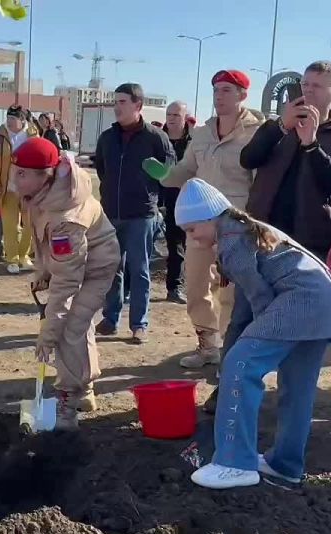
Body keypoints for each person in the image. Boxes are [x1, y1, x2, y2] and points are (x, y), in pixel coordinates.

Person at [176, 179, 331, 489]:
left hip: (299, 300)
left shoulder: (231, 242)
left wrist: (255, 342)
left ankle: (234, 463)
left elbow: (260, 300)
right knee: (297, 386)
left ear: (209, 218)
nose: (191, 237)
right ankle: (285, 465)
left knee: (238, 364)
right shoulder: (244, 228)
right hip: (321, 301)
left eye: (192, 229)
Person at [13, 138, 120, 430]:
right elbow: (42, 242)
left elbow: (66, 284)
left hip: (96, 268)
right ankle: (84, 390)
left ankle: (69, 401)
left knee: (68, 329)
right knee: (78, 325)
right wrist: (42, 270)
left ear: (44, 174)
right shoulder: (43, 195)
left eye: (22, 173)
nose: (16, 179)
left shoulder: (66, 218)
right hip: (73, 264)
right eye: (16, 171)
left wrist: (48, 334)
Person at [161, 70, 263, 366]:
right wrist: (165, 175)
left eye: (227, 90)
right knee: (194, 285)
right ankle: (207, 344)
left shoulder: (257, 133)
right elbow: (187, 169)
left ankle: (230, 350)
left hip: (237, 225)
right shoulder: (202, 133)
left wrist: (254, 223)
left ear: (243, 95)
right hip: (200, 225)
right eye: (216, 90)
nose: (219, 96)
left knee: (231, 293)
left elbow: (260, 182)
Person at [242, 61, 331, 258]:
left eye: (317, 86)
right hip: (264, 232)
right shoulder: (278, 126)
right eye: (305, 84)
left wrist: (312, 145)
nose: (308, 91)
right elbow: (247, 160)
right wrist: (280, 126)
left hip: (311, 241)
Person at [94, 83, 175, 344]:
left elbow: (169, 171)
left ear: (138, 105)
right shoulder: (107, 137)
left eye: (123, 102)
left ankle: (139, 324)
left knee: (139, 270)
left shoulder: (155, 137)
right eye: (115, 102)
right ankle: (110, 319)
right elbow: (102, 170)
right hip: (111, 214)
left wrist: (150, 195)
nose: (117, 107)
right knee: (111, 269)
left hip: (141, 215)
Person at [0, 104, 41, 274]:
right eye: (8, 118)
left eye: (13, 119)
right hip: (7, 189)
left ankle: (24, 255)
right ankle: (12, 259)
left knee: (30, 225)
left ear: (22, 120)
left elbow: (40, 161)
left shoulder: (33, 135)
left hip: (28, 191)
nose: (9, 122)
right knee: (10, 226)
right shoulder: (0, 137)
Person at [160, 100, 191, 304]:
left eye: (176, 116)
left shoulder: (194, 141)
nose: (171, 119)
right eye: (169, 115)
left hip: (188, 199)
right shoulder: (158, 139)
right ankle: (174, 287)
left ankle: (185, 286)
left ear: (185, 118)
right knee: (173, 245)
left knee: (188, 245)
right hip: (163, 199)